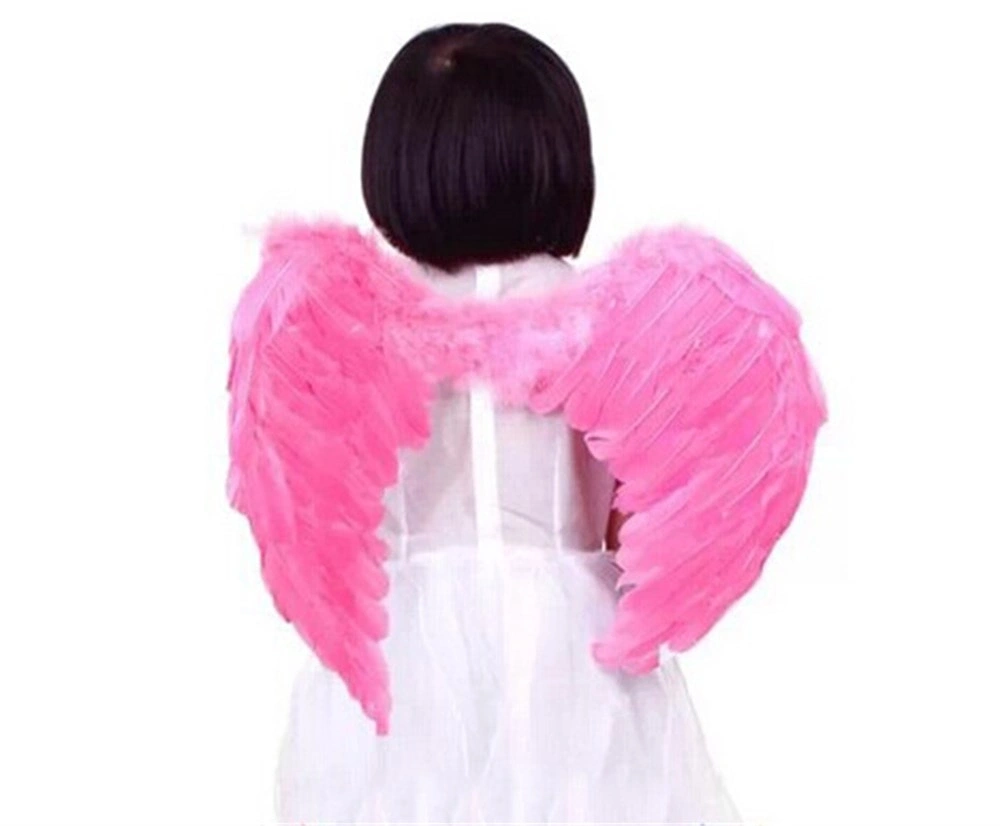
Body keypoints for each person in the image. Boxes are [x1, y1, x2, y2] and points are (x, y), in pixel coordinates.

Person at [227, 21, 825, 824]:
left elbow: (319, 503)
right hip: (573, 660)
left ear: (398, 158)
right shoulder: (615, 320)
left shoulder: (344, 323)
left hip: (393, 662)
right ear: (555, 154)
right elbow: (635, 529)